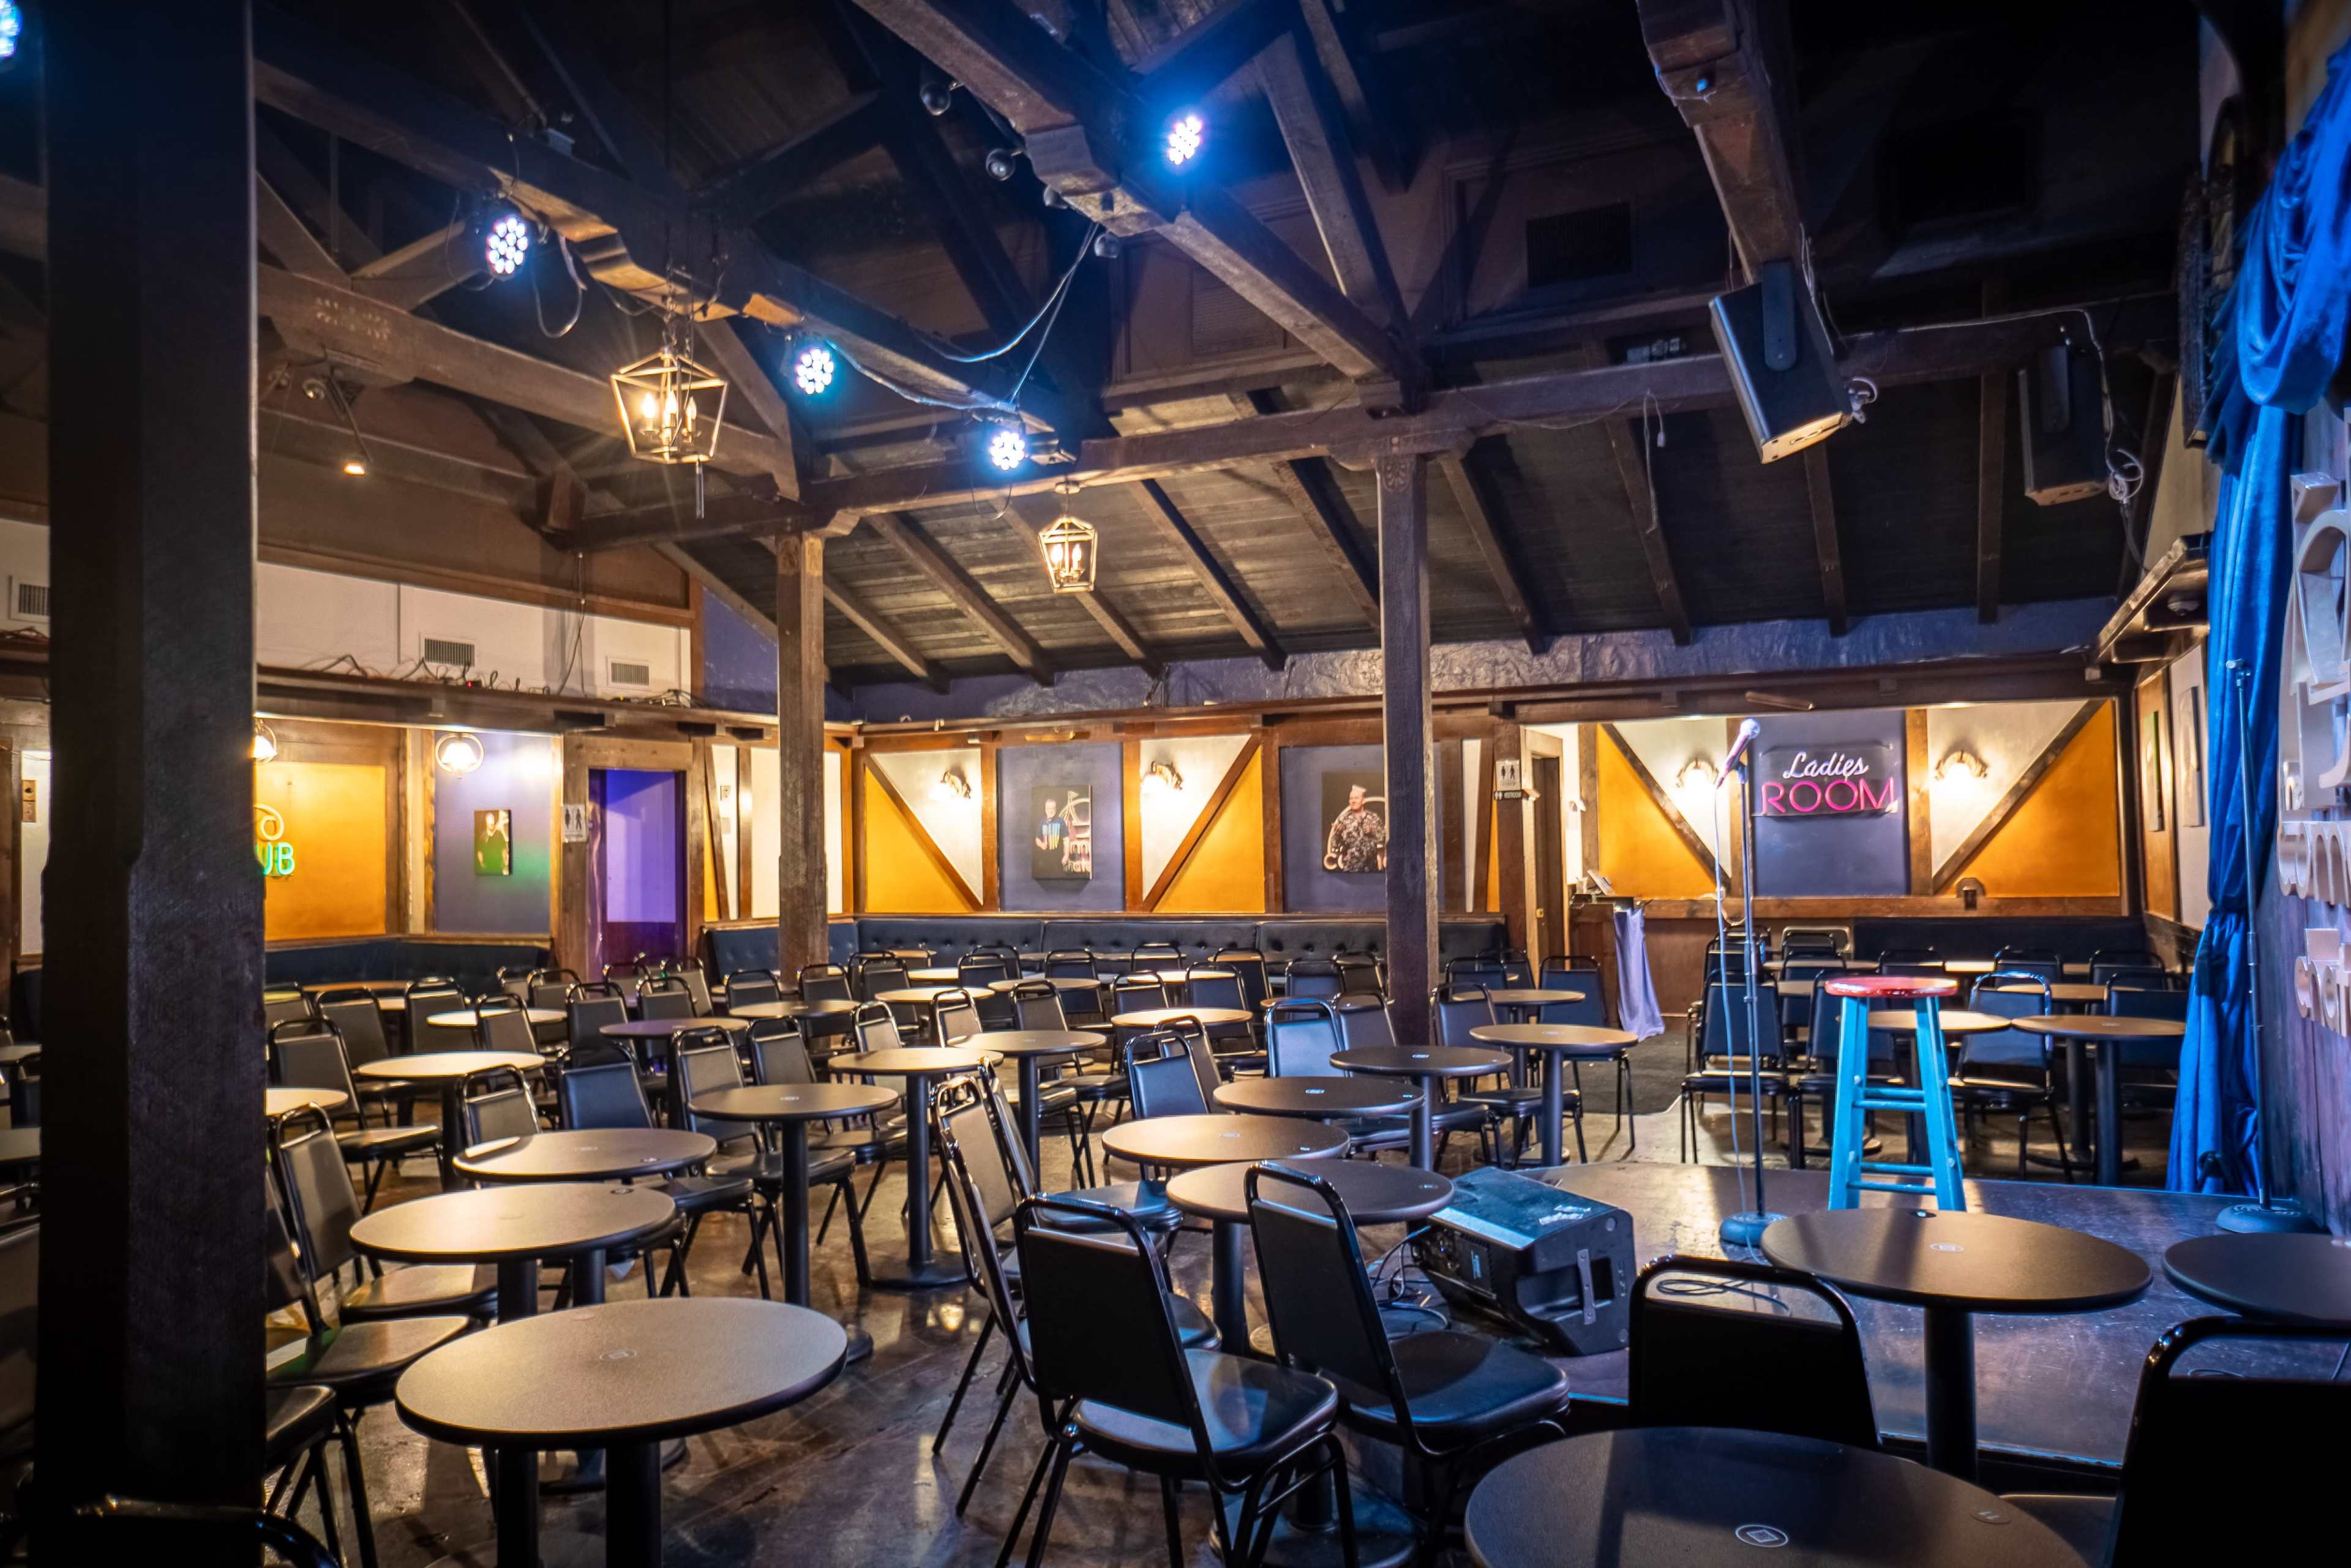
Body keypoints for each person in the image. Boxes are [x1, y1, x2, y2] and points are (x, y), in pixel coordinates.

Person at [1324, 783, 1387, 873]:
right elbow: (1335, 846)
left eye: (1356, 798)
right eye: (1351, 799)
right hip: (1351, 869)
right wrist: (1337, 834)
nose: (1353, 801)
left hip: (1371, 869)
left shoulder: (1373, 818)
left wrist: (1372, 831)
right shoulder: (1343, 820)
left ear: (1363, 801)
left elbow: (1384, 838)